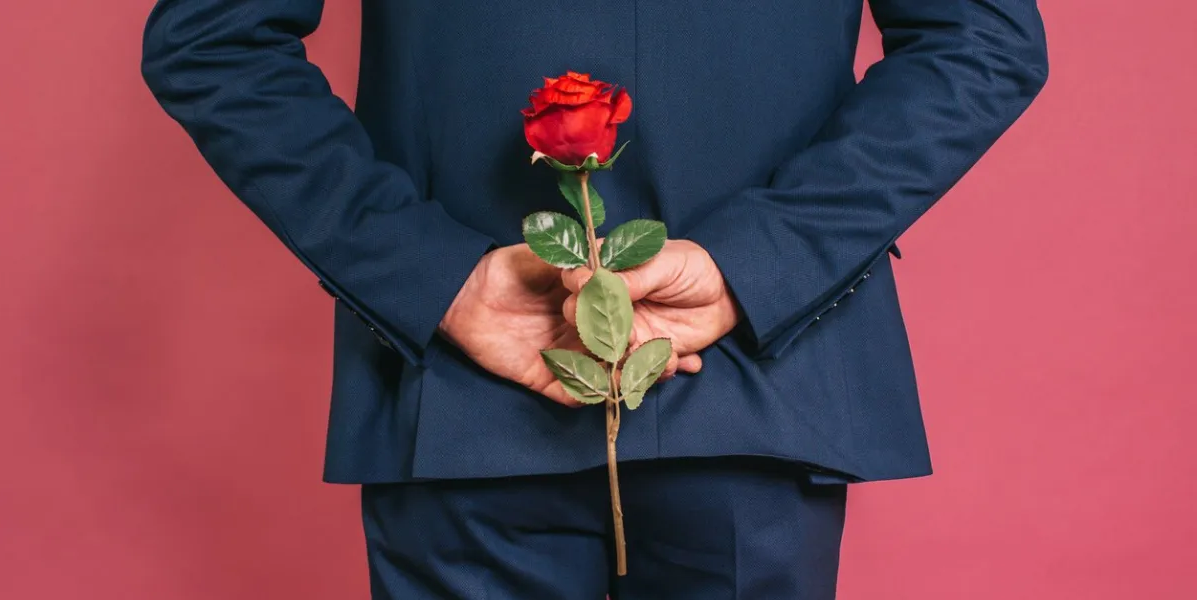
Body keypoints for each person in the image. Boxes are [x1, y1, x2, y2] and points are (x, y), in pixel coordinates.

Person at [141, 1, 1048, 598]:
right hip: (540, 383)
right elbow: (216, 39)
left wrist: (430, 277)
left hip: (589, 390)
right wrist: (437, 282)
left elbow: (981, 38)